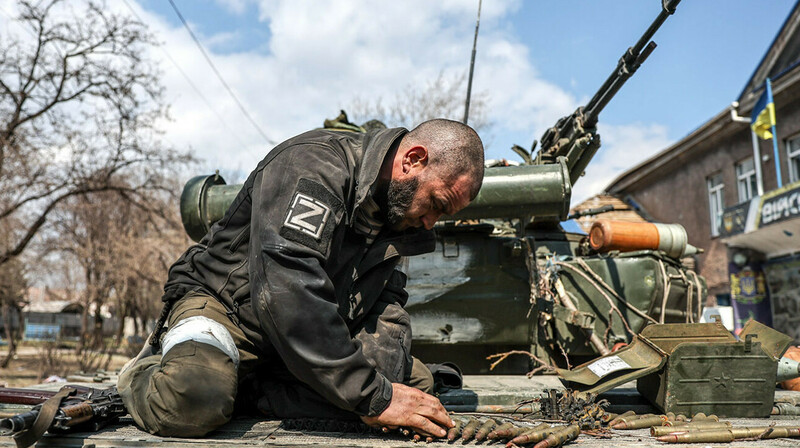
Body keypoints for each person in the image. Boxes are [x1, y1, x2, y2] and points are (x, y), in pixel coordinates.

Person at [117, 118, 485, 438]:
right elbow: (288, 287)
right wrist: (373, 395)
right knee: (194, 397)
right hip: (229, 310)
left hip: (301, 332)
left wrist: (385, 384)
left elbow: (386, 301)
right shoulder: (314, 165)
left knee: (413, 387)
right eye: (437, 204)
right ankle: (150, 369)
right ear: (413, 160)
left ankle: (256, 386)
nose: (431, 223)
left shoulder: (398, 211)